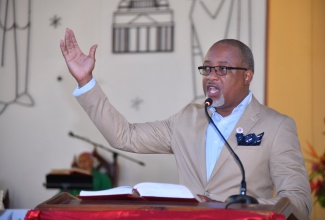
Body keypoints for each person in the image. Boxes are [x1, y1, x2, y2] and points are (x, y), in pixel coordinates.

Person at [60, 28, 312, 218]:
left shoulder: (277, 126)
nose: (211, 77)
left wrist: (234, 207)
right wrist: (86, 82)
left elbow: (299, 202)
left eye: (223, 69)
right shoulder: (186, 119)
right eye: (207, 69)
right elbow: (124, 136)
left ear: (247, 76)